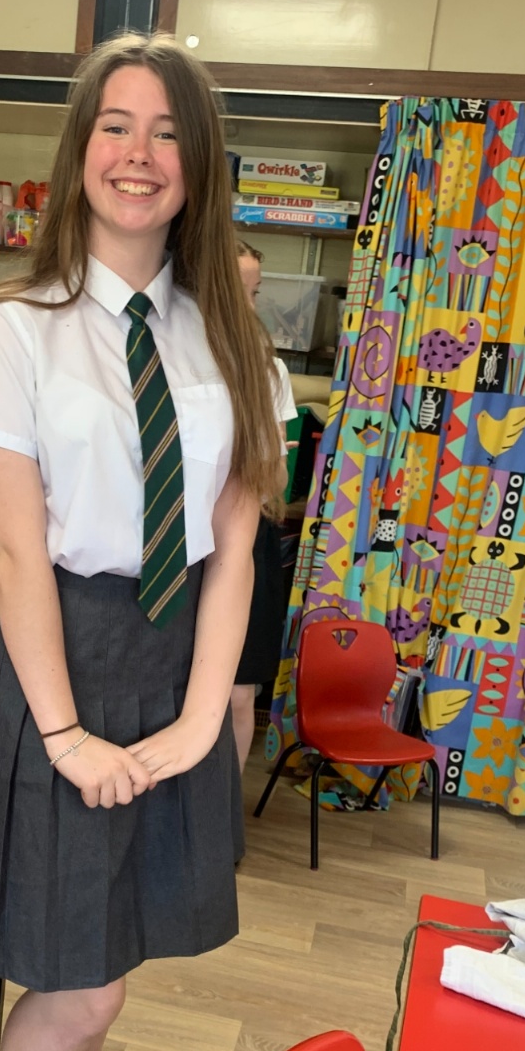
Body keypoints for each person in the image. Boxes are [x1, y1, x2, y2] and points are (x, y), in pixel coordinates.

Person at [0, 32, 281, 1051]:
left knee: (110, 959)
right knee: (84, 983)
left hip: (174, 659)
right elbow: (18, 557)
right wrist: (67, 733)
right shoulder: (10, 330)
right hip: (56, 656)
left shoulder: (231, 340)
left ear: (199, 163)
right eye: (116, 125)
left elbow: (235, 551)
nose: (139, 153)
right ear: (79, 151)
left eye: (168, 131)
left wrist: (201, 720)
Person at [230, 240, 297, 767]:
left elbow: (275, 484)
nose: (248, 306)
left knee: (236, 693)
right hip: (178, 540)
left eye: (255, 293)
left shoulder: (270, 372)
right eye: (238, 290)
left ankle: (221, 809)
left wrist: (265, 455)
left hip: (247, 538)